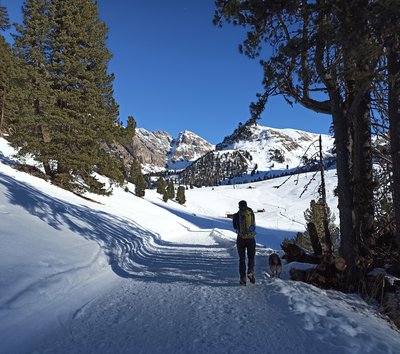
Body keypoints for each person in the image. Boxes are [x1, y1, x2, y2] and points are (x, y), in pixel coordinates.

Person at [233, 200, 256, 286]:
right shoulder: (251, 213)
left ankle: (243, 278)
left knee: (242, 259)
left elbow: (235, 227)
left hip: (241, 239)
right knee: (251, 257)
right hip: (251, 238)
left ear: (239, 206)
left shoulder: (236, 215)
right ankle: (250, 272)